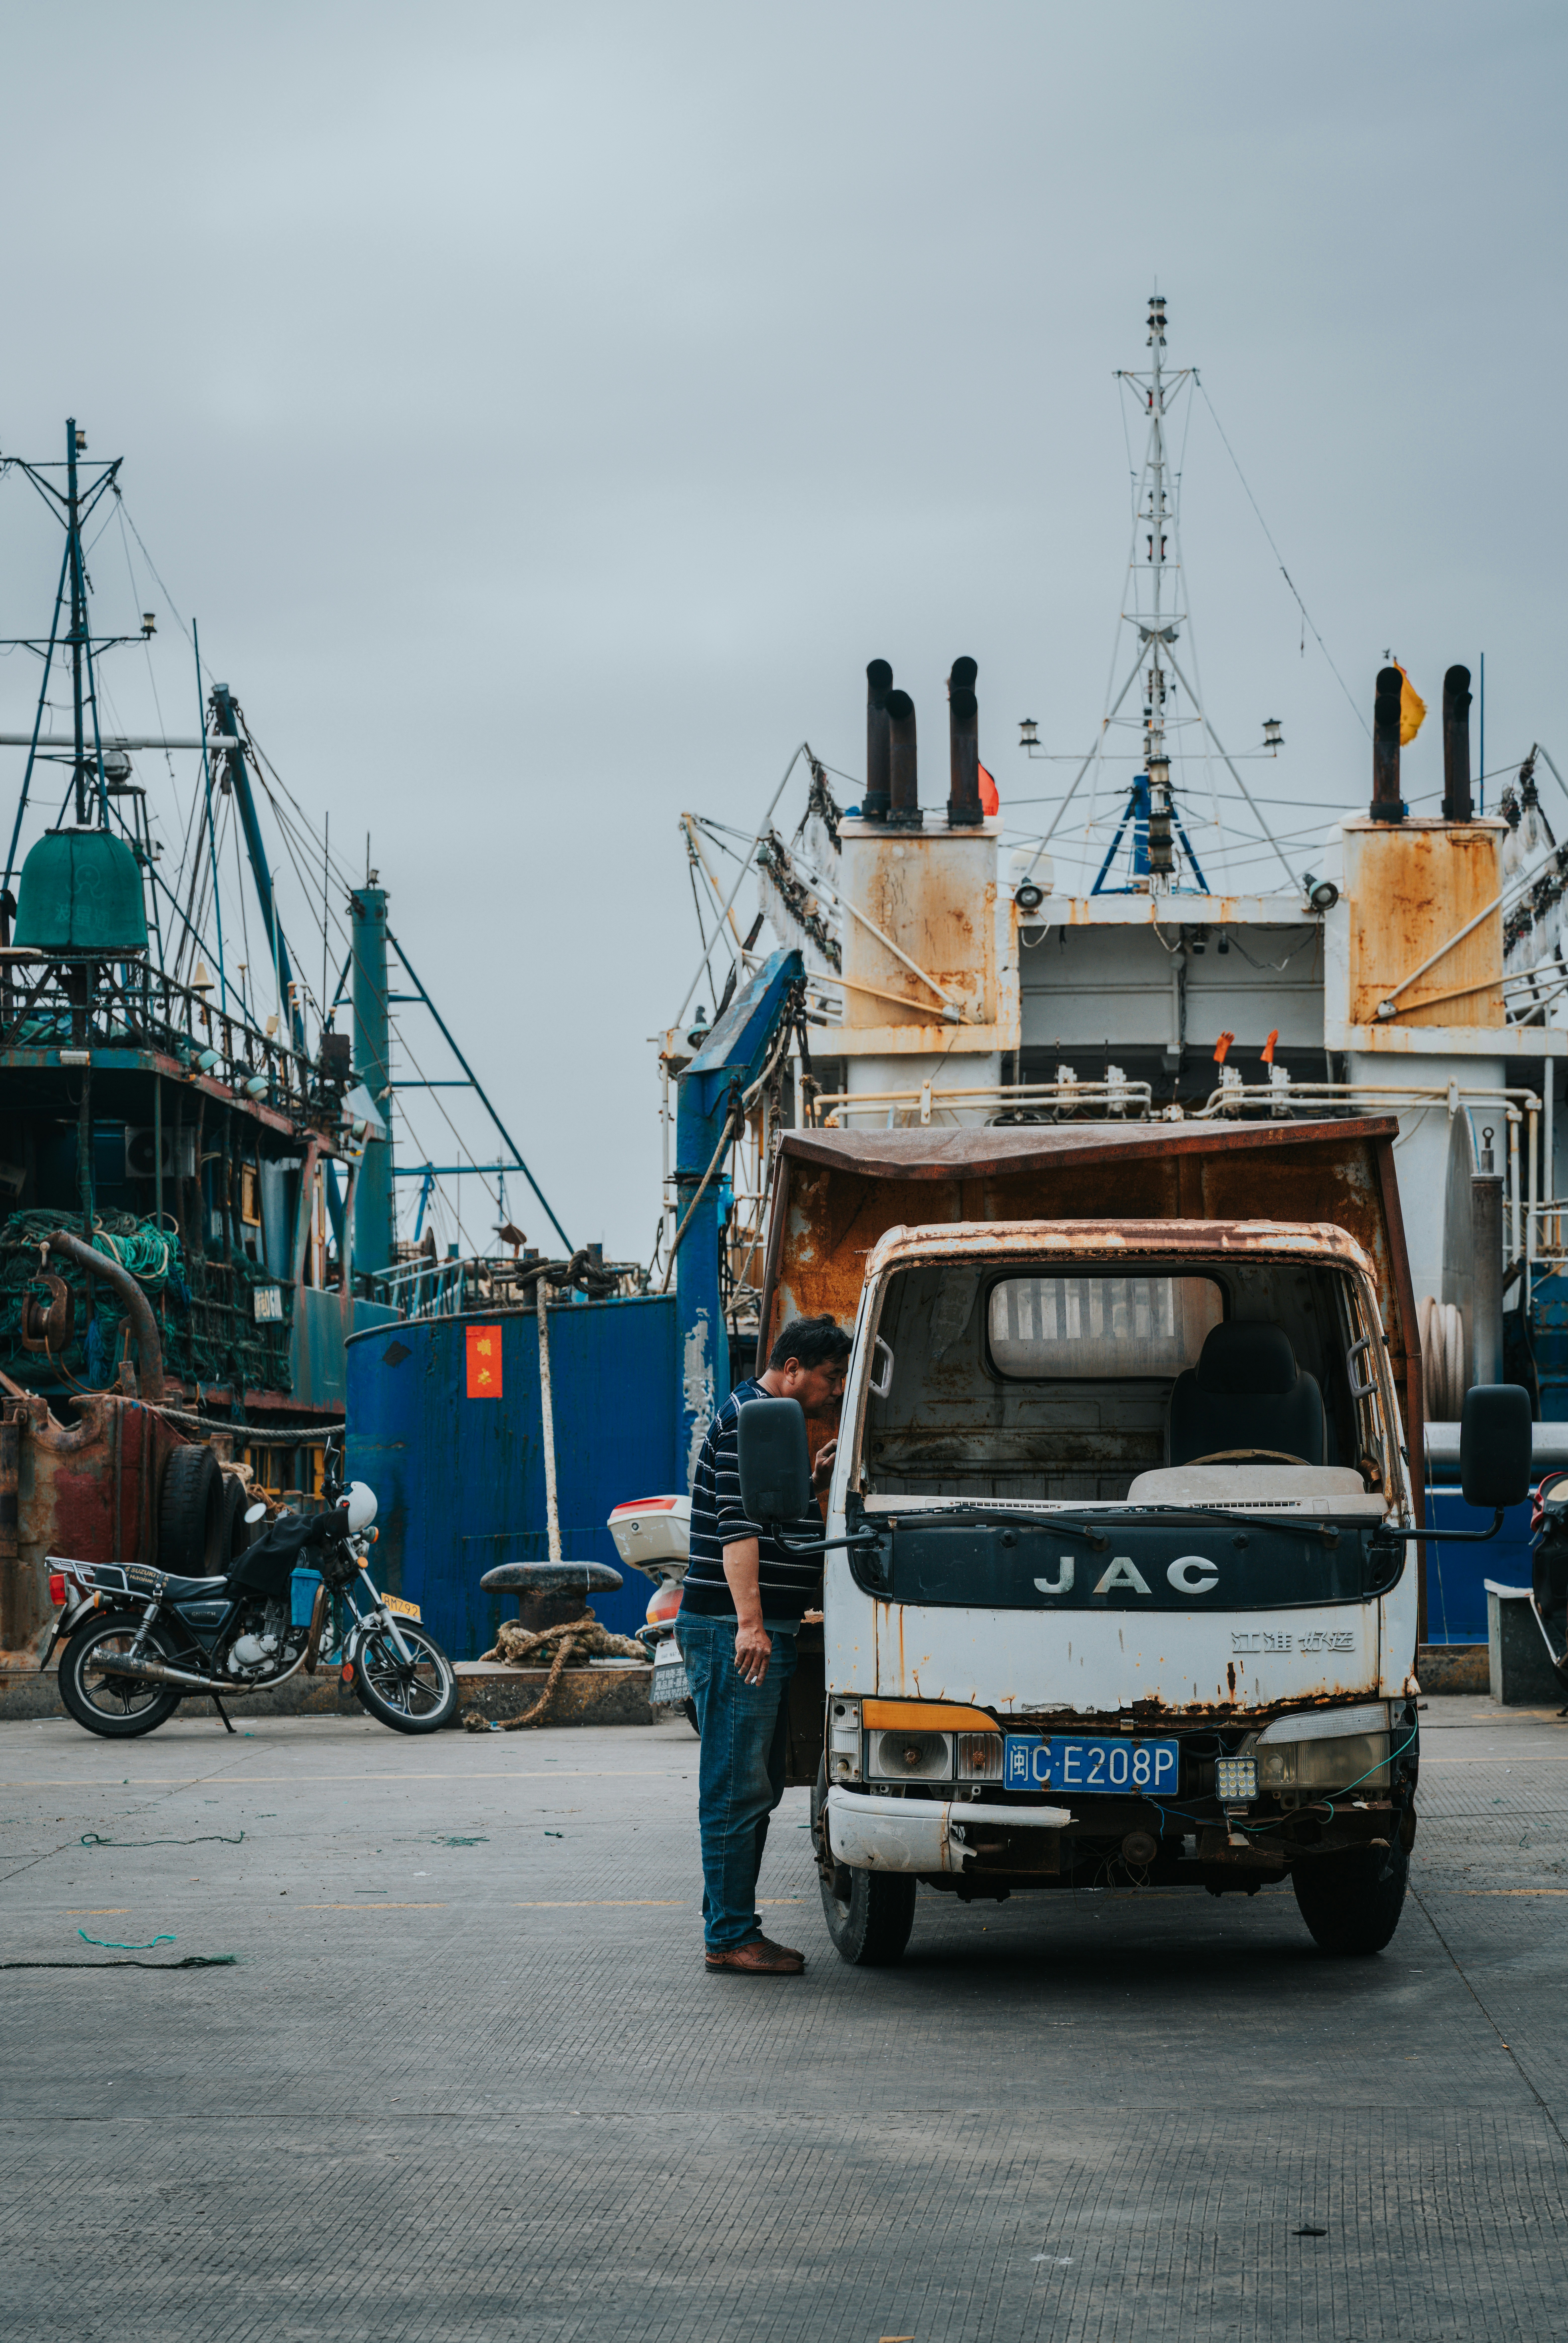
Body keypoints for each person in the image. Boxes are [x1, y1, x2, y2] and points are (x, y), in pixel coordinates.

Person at [678, 1313, 851, 1974]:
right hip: (733, 1631)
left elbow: (763, 1508)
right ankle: (729, 1936)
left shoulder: (766, 1421)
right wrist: (750, 1622)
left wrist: (810, 1486)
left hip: (755, 1627)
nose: (836, 1391)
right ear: (793, 1369)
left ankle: (729, 1927)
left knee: (756, 1785)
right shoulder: (750, 1419)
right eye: (830, 1377)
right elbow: (737, 1527)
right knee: (737, 1788)